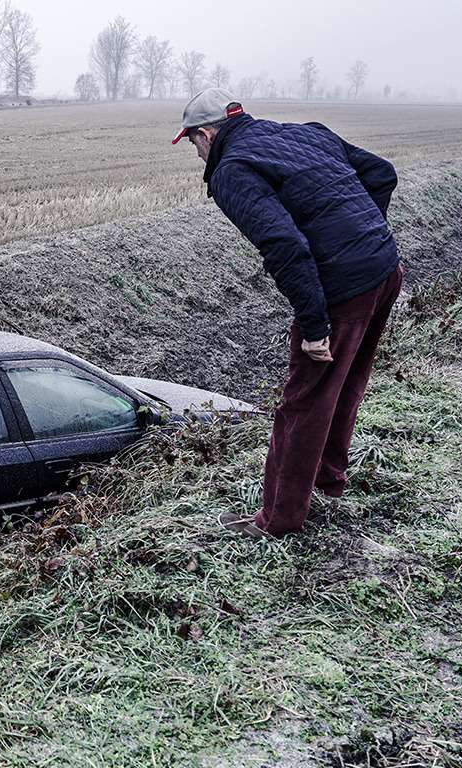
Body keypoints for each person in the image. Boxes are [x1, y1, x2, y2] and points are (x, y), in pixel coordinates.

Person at [172, 87, 403, 536]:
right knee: (346, 382)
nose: (197, 155)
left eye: (193, 145)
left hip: (344, 290)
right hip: (384, 269)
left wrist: (316, 326)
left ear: (206, 135)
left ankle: (279, 518)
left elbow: (284, 245)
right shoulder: (305, 133)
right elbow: (381, 174)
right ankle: (328, 479)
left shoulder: (233, 170)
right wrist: (360, 236)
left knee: (303, 400)